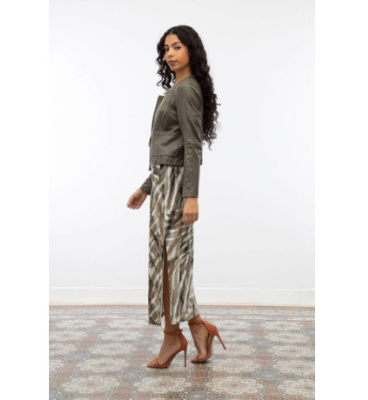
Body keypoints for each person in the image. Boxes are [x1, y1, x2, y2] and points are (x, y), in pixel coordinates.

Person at [127, 25, 225, 368]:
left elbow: (191, 147)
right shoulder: (177, 88)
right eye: (166, 48)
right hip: (164, 184)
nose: (169, 53)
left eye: (177, 47)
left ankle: (177, 334)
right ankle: (191, 329)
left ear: (191, 50)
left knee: (174, 262)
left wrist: (191, 196)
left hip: (177, 187)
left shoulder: (186, 90)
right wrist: (146, 187)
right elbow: (168, 149)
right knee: (167, 262)